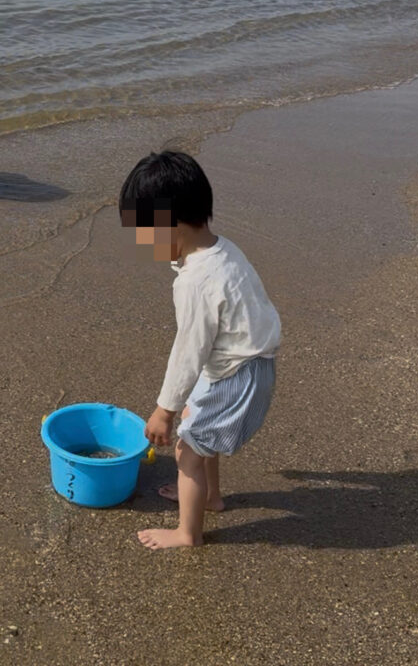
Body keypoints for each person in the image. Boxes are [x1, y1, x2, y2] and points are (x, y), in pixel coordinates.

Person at [119, 150, 281, 548]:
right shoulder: (223, 249)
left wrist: (165, 409)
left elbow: (188, 351)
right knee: (202, 433)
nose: (141, 243)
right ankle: (209, 496)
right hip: (247, 361)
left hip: (239, 373)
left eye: (144, 231)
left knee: (187, 449)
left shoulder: (195, 281)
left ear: (171, 225)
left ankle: (187, 533)